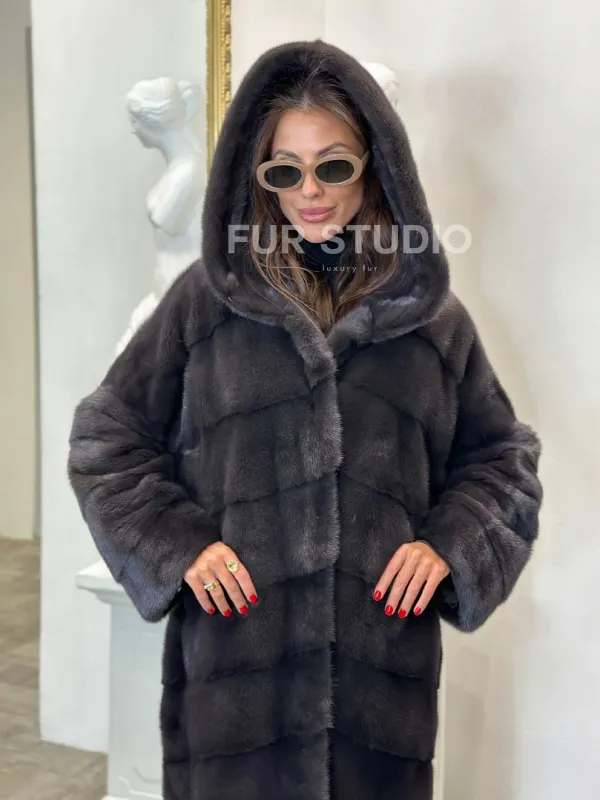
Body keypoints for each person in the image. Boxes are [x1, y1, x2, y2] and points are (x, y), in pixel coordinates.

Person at [67, 39, 543, 800]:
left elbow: (502, 459)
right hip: (234, 691)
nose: (310, 191)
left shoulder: (430, 320)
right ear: (259, 178)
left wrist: (450, 547)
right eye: (285, 171)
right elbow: (106, 440)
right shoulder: (204, 304)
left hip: (378, 697)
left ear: (375, 165)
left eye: (334, 165)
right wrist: (178, 545)